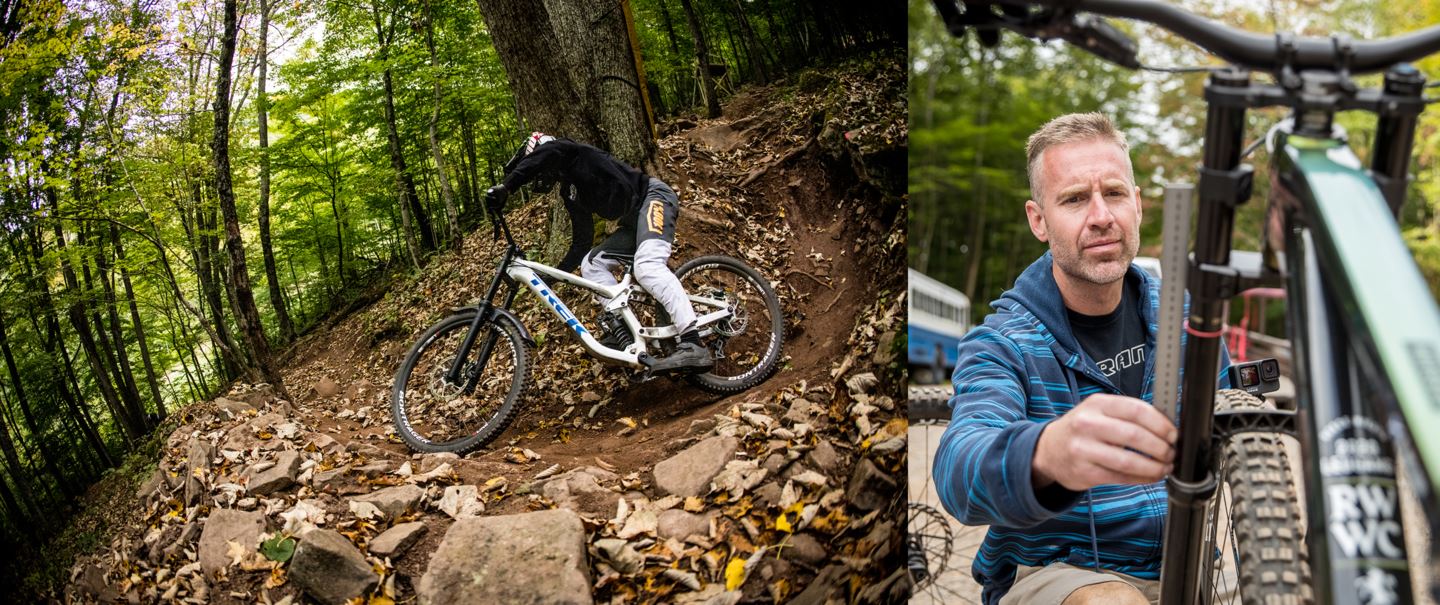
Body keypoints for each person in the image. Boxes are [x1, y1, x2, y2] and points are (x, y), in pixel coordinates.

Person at [932, 113, 1230, 605]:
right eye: (1073, 199)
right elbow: (957, 470)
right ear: (1039, 221)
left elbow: (1239, 424)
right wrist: (1048, 452)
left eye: (1114, 193)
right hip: (1060, 574)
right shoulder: (1003, 342)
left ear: (1137, 205)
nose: (1100, 216)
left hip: (1191, 570)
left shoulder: (1188, 320)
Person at [485, 132, 713, 373]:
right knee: (591, 263)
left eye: (534, 163)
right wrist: (553, 275)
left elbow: (550, 152)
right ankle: (623, 332)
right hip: (633, 224)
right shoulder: (570, 192)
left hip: (653, 198)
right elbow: (582, 241)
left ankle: (692, 342)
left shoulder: (572, 152)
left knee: (647, 267)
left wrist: (507, 186)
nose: (537, 175)